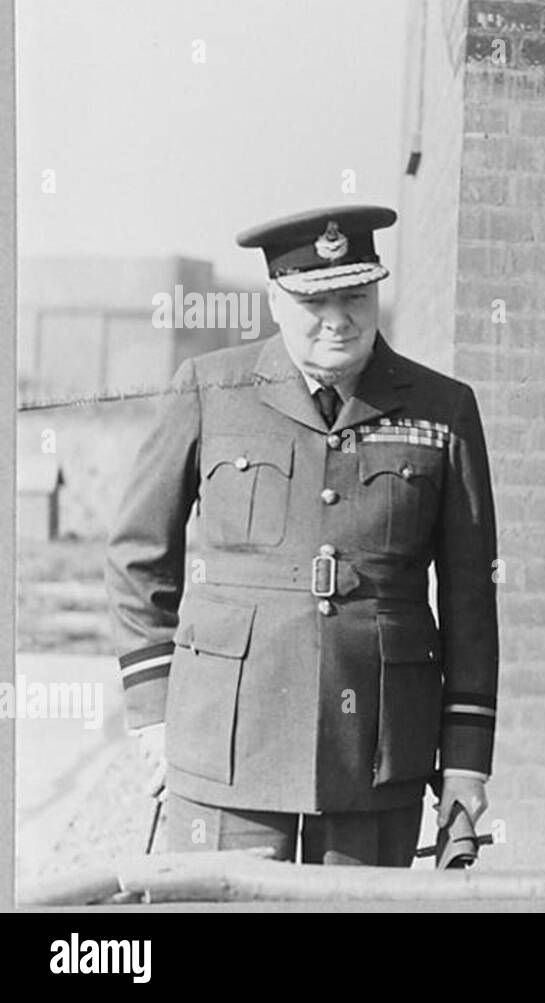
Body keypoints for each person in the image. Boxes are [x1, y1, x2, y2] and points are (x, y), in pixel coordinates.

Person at [106, 205, 499, 866]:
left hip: (374, 753)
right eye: (314, 300)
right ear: (275, 301)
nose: (338, 319)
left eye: (355, 295)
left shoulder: (444, 408)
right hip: (229, 743)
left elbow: (469, 600)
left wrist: (465, 761)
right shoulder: (211, 388)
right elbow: (138, 556)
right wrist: (153, 714)